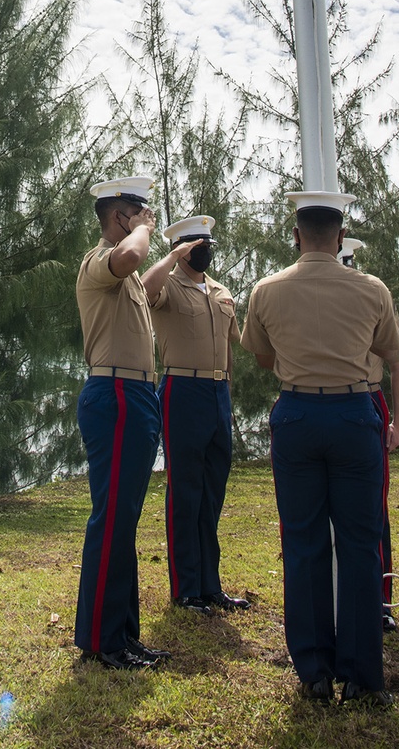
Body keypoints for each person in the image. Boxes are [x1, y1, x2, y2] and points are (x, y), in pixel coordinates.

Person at [241, 192, 399, 708]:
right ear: (340, 237)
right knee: (360, 543)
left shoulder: (266, 290)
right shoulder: (371, 289)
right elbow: (393, 354)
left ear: (296, 235)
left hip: (297, 416)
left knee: (303, 542)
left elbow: (263, 356)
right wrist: (396, 420)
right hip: (355, 414)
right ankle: (361, 674)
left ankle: (314, 669)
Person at [74, 177, 167, 671]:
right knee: (111, 518)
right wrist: (146, 233)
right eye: (138, 211)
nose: (146, 217)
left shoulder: (126, 277)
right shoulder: (99, 261)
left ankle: (124, 635)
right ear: (119, 217)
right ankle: (101, 639)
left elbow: (144, 276)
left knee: (123, 520)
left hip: (136, 394)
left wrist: (171, 253)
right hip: (115, 394)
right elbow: (132, 258)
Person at [142, 215, 250, 616]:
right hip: (182, 391)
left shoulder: (222, 293)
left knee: (212, 493)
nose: (204, 251)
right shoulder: (167, 285)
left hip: (218, 393)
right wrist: (171, 256)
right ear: (183, 248)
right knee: (185, 492)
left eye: (208, 245)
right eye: (196, 246)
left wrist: (228, 395)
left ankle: (210, 585)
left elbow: (236, 344)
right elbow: (143, 287)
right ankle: (186, 588)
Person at [340, 238, 397, 633]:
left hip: (369, 397)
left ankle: (380, 598)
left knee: (373, 507)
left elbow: (398, 358)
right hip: (330, 399)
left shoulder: (372, 293)